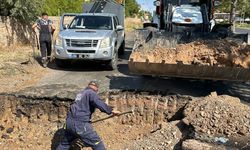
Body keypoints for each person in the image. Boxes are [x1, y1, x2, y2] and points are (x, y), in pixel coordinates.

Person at [56, 80, 120, 150]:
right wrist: (111, 111)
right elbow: (98, 102)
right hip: (79, 124)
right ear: (96, 88)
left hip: (69, 123)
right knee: (97, 143)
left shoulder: (80, 93)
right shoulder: (91, 93)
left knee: (65, 144)